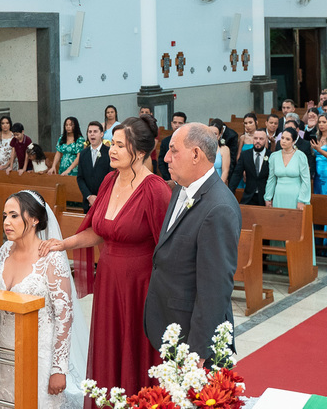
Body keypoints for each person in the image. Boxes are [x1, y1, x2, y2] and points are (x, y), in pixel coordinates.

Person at [42, 115, 170, 402]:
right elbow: (97, 231)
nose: (112, 150)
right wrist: (62, 243)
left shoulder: (155, 189)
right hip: (109, 281)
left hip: (142, 287)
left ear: (138, 152)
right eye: (112, 143)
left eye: (120, 146)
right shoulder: (109, 181)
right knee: (111, 349)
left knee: (136, 351)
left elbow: (168, 247)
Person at [145, 123, 241, 363]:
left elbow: (215, 290)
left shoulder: (218, 208)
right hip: (172, 327)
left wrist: (198, 351)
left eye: (173, 150)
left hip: (194, 339)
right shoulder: (181, 188)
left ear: (196, 154)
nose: (166, 157)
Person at [0, 191, 87, 408]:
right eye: (5, 216)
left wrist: (58, 369)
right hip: (6, 351)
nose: (7, 222)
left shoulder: (51, 258)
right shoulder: (4, 251)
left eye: (14, 216)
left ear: (35, 219)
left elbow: (65, 317)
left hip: (40, 355)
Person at [76, 120, 112, 208]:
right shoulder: (83, 154)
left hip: (104, 201)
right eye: (90, 132)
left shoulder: (109, 153)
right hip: (88, 202)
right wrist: (89, 196)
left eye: (95, 131)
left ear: (101, 134)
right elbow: (80, 178)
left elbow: (111, 178)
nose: (92, 134)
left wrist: (99, 198)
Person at [230, 128, 272, 203]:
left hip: (265, 197)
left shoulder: (271, 155)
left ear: (266, 140)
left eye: (261, 139)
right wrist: (230, 193)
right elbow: (237, 174)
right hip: (248, 196)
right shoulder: (245, 155)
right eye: (255, 138)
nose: (258, 141)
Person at [157, 111, 187, 180]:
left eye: (180, 123)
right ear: (171, 124)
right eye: (175, 122)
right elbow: (161, 162)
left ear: (184, 124)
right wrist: (168, 179)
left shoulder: (188, 141)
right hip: (168, 178)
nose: (177, 125)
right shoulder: (165, 142)